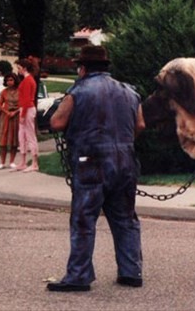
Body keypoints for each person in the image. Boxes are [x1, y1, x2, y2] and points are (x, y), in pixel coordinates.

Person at [47, 45, 145, 292]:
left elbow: (57, 122)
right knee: (125, 218)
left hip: (91, 160)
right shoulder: (129, 92)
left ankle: (79, 275)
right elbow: (140, 124)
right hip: (124, 160)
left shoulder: (78, 91)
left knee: (84, 219)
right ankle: (131, 270)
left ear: (82, 68)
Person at [16, 58, 39, 172]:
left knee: (30, 135)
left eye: (19, 68)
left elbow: (26, 99)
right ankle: (23, 161)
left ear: (24, 68)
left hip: (27, 109)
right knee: (22, 135)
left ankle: (34, 163)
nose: (18, 70)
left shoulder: (28, 80)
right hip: (25, 109)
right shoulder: (27, 80)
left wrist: (23, 115)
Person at [0, 73, 20, 170]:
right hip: (5, 117)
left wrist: (15, 112)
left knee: (14, 139)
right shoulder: (4, 92)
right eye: (8, 80)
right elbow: (0, 105)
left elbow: (22, 104)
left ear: (15, 81)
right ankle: (2, 162)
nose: (9, 82)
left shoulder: (20, 91)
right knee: (4, 140)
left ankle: (12, 161)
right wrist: (6, 112)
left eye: (11, 80)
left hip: (16, 116)